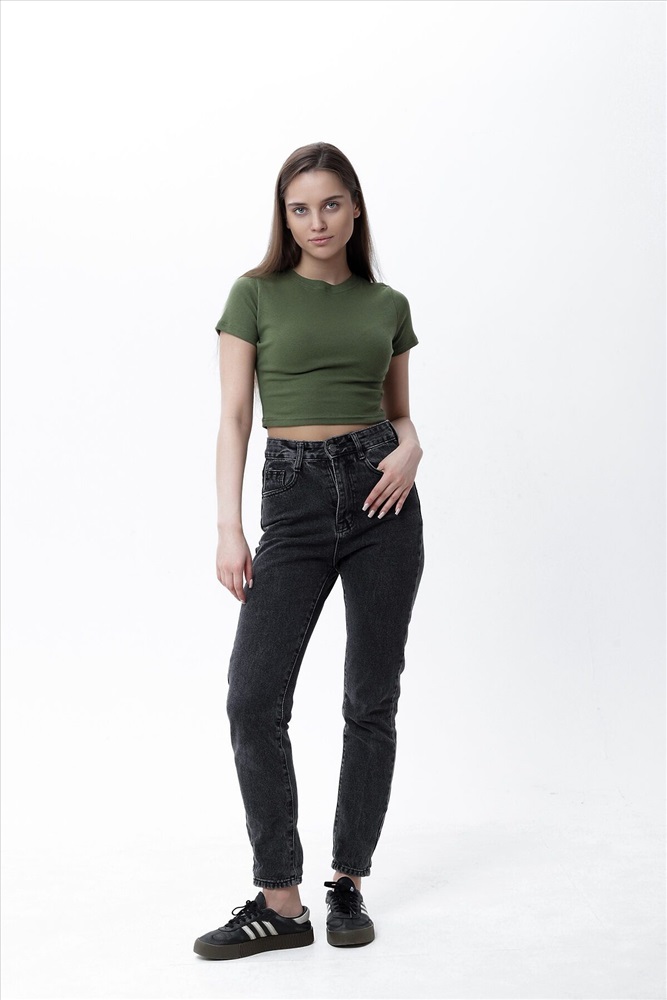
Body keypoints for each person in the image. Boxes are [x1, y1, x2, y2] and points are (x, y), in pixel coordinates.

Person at [194, 142, 425, 961]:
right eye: (299, 208)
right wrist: (229, 527)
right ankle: (280, 902)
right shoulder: (253, 294)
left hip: (380, 498)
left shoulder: (386, 303)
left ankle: (348, 880)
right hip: (289, 496)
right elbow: (233, 417)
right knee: (252, 698)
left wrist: (411, 446)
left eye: (329, 204)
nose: (316, 221)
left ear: (354, 207)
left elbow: (398, 413)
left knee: (370, 697)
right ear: (283, 217)